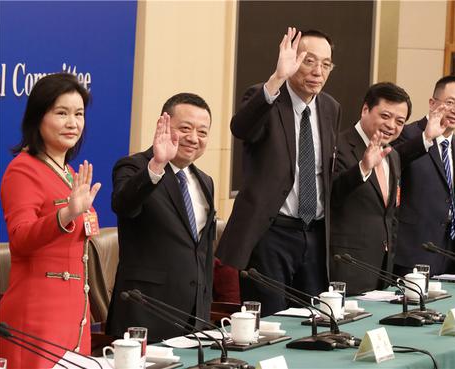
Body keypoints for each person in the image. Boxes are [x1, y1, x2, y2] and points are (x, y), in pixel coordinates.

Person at [216, 27, 341, 316]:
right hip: (271, 233)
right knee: (270, 323)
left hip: (315, 234)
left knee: (312, 322)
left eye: (326, 64)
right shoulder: (267, 97)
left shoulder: (330, 108)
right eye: (309, 61)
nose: (318, 71)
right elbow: (241, 128)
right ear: (291, 59)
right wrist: (277, 79)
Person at [0, 73, 100, 368]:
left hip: (75, 317)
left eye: (79, 114)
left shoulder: (69, 172)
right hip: (37, 317)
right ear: (38, 117)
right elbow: (19, 239)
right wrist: (66, 214)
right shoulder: (22, 170)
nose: (72, 123)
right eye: (61, 113)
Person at [106, 93, 216, 342]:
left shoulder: (205, 181)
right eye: (185, 128)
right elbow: (124, 205)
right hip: (145, 314)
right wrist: (156, 165)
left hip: (193, 318)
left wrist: (204, 306)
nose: (193, 138)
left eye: (203, 132)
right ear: (164, 125)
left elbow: (201, 251)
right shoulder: (135, 167)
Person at [330, 82, 411, 295]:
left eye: (400, 121)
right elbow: (330, 195)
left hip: (382, 268)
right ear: (365, 109)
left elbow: (391, 213)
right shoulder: (337, 144)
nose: (392, 125)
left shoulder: (392, 155)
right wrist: (363, 167)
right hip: (346, 266)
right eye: (385, 116)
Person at [392, 76, 455, 277]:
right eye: (450, 102)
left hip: (450, 254)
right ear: (432, 103)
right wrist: (426, 139)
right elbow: (391, 165)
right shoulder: (408, 134)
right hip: (412, 252)